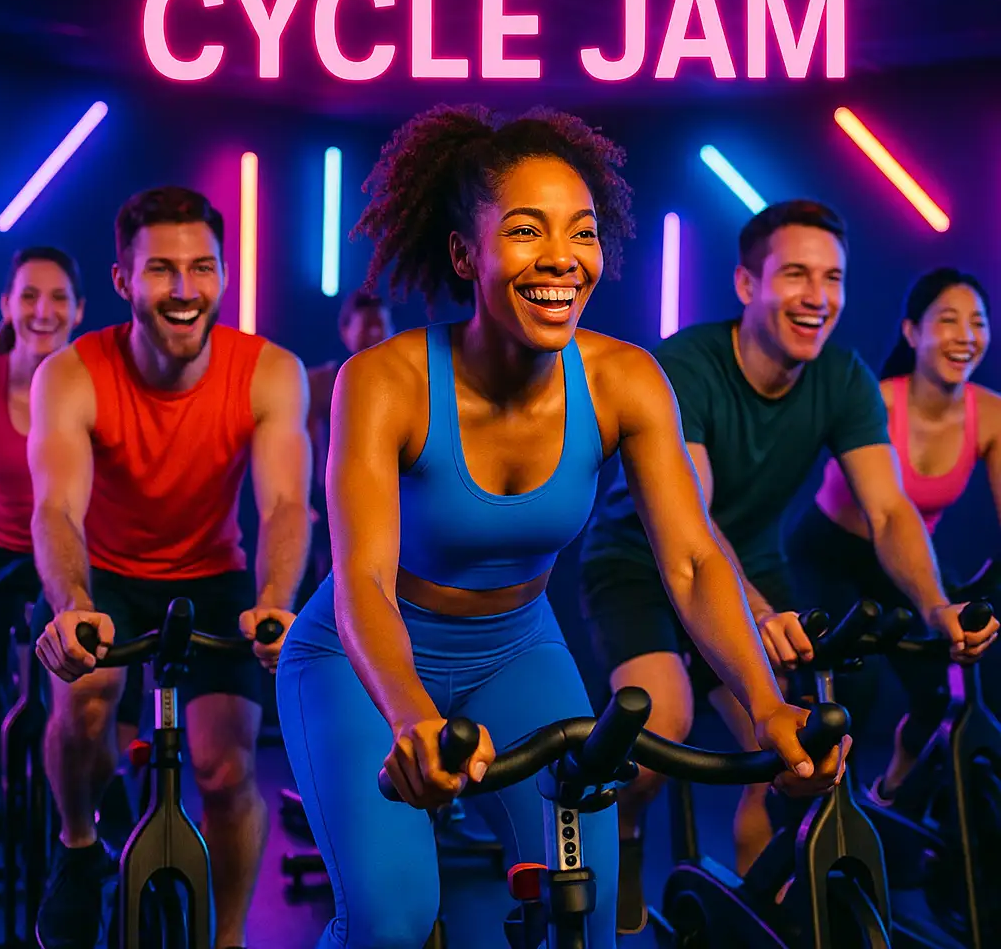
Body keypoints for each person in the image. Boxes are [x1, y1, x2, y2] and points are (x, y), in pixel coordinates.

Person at [275, 106, 847, 949]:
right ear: (466, 254)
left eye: (581, 232)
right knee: (394, 922)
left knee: (584, 898)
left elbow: (689, 561)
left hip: (517, 648)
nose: (560, 259)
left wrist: (767, 708)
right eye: (525, 230)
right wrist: (409, 718)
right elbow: (361, 575)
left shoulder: (625, 381)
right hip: (360, 658)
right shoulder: (383, 381)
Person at [578, 200, 998, 935]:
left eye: (832, 277)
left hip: (752, 565)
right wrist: (761, 615)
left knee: (796, 756)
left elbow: (891, 510)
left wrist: (935, 605)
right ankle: (628, 834)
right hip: (637, 562)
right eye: (796, 274)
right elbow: (693, 524)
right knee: (662, 722)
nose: (818, 296)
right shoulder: (687, 365)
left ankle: (756, 912)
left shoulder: (841, 378)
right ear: (747, 285)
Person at [28, 186, 312, 949]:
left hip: (213, 576)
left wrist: (276, 600)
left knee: (224, 772)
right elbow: (56, 509)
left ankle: (225, 942)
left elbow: (288, 505)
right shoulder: (72, 374)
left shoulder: (271, 372)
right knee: (86, 701)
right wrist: (72, 603)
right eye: (161, 270)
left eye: (202, 268)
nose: (185, 290)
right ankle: (80, 847)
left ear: (223, 273)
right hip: (107, 572)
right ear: (123, 282)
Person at [788, 266, 1001, 804]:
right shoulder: (875, 402)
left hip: (905, 561)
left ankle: (894, 786)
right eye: (948, 320)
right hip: (830, 554)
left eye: (978, 322)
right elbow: (884, 510)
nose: (966, 336)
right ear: (912, 332)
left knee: (953, 681)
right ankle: (819, 820)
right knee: (849, 692)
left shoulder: (991, 413)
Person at [0, 246, 84, 845]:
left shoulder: (89, 385)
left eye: (58, 297)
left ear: (79, 310)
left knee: (81, 657)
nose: (43, 310)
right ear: (7, 305)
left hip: (64, 556)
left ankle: (91, 782)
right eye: (29, 296)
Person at [307, 290, 394, 580]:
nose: (376, 333)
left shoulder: (402, 385)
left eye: (381, 325)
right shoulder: (320, 382)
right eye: (367, 325)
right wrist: (304, 500)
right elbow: (303, 444)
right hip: (328, 505)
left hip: (387, 505)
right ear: (345, 330)